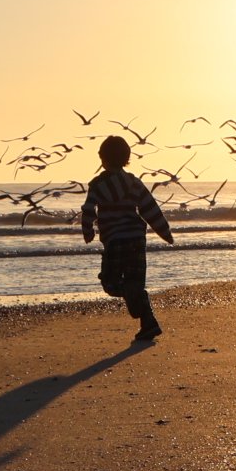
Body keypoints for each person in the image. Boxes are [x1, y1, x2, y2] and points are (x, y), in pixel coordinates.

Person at [81, 134, 173, 345]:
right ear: (126, 158)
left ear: (103, 158)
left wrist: (88, 231)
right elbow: (150, 208)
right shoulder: (133, 182)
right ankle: (147, 322)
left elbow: (88, 209)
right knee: (135, 282)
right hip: (136, 239)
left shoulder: (97, 184)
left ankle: (138, 303)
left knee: (111, 283)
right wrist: (164, 232)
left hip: (115, 241)